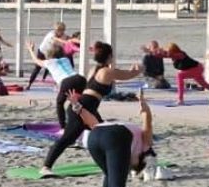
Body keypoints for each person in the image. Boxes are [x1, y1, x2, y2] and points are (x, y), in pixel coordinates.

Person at [64, 89, 158, 187]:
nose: (129, 167)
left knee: (109, 175)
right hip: (115, 137)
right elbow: (147, 119)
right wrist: (144, 106)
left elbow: (92, 122)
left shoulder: (135, 140)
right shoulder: (146, 145)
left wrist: (77, 106)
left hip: (95, 137)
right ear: (141, 159)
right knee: (117, 185)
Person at [39, 42, 142, 176]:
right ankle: (46, 167)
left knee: (105, 134)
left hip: (89, 107)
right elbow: (128, 75)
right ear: (109, 56)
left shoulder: (94, 69)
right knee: (68, 138)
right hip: (83, 107)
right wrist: (140, 69)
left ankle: (118, 163)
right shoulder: (107, 71)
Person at [26, 22, 75, 89]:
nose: (62, 32)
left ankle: (53, 81)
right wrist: (66, 42)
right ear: (56, 30)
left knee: (54, 65)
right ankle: (29, 84)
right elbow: (56, 39)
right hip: (43, 51)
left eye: (63, 30)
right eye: (60, 30)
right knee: (38, 67)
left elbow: (70, 39)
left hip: (52, 53)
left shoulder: (64, 35)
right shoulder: (51, 34)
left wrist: (76, 41)